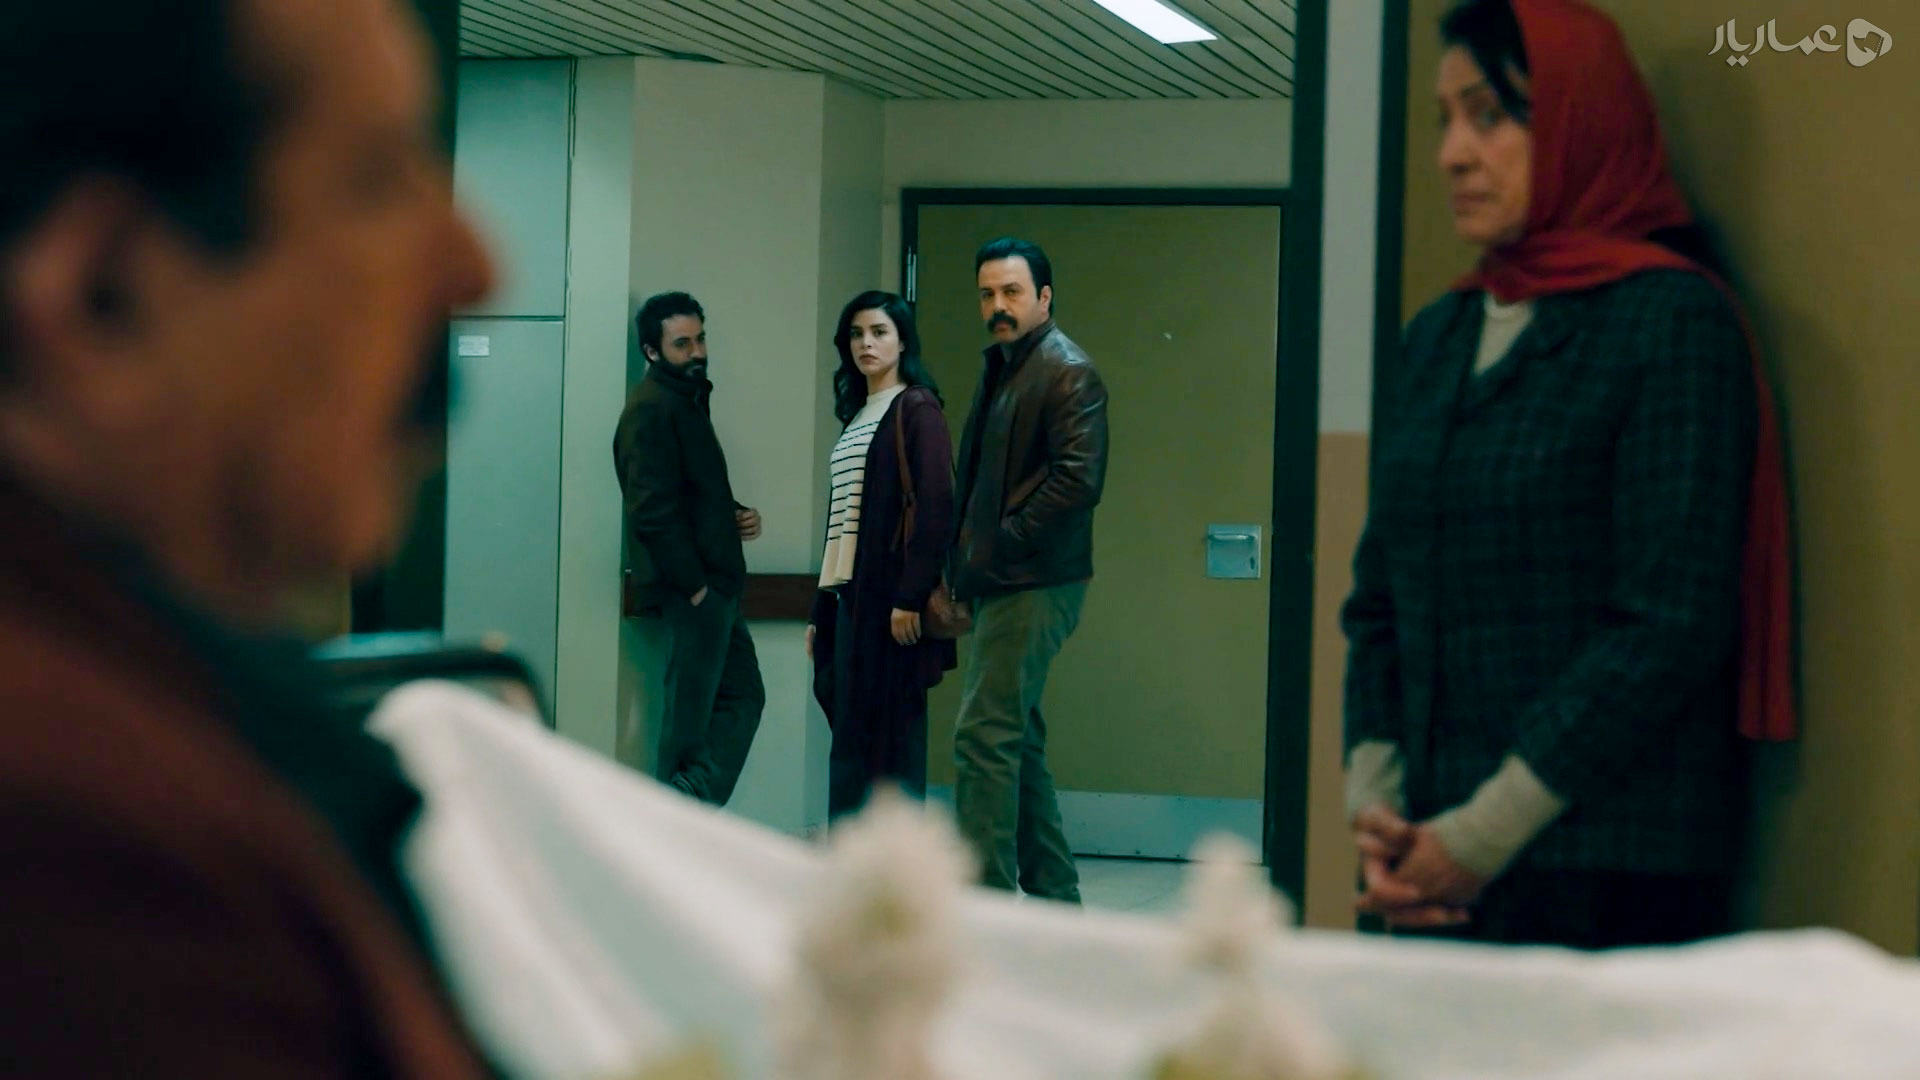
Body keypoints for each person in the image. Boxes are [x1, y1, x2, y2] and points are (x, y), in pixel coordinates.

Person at [0, 0, 501, 1072]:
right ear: (102, 300)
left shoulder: (153, 703)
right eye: (375, 180)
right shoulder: (89, 868)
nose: (472, 266)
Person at [1342, 0, 1794, 949]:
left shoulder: (1668, 322)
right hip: (1427, 851)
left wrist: (1478, 836)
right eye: (1444, 120)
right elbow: (1380, 597)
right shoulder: (1439, 335)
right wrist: (1375, 810)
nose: (1453, 155)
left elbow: (1669, 624)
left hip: (1607, 865)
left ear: (1581, 122)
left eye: (1490, 116)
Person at [950, 237, 1110, 902]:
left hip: (1033, 578)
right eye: (988, 293)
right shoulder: (1008, 366)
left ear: (1044, 297)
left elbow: (1077, 481)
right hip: (1008, 577)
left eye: (1012, 292)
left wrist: (1000, 546)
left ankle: (984, 903)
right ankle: (1054, 899)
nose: (998, 305)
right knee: (1016, 740)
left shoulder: (1066, 370)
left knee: (983, 736)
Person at [806, 291, 958, 820]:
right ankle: (850, 857)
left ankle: (897, 860)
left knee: (893, 745)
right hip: (851, 600)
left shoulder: (916, 408)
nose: (866, 344)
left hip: (892, 603)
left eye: (879, 332)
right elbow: (840, 522)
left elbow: (936, 507)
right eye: (856, 334)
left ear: (902, 341)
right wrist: (821, 612)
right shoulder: (856, 416)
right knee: (852, 740)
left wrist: (909, 596)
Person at [614, 290, 768, 806]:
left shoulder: (684, 401)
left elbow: (688, 492)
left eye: (700, 339)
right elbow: (651, 510)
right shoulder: (651, 409)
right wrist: (695, 586)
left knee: (741, 697)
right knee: (688, 725)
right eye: (682, 344)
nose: (697, 352)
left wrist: (732, 513)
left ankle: (686, 802)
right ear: (652, 351)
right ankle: (675, 816)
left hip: (713, 584)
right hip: (696, 589)